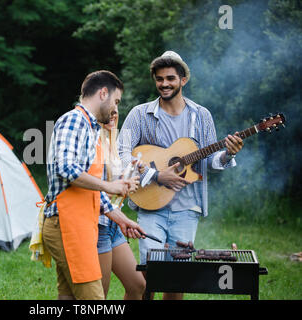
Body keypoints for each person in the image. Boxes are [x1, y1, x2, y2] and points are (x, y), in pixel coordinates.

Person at [118, 51, 244, 300]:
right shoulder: (140, 114)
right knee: (148, 275)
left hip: (188, 209)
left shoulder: (202, 116)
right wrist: (155, 175)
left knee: (176, 279)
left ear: (183, 80)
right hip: (150, 205)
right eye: (159, 79)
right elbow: (121, 151)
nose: (164, 84)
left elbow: (210, 160)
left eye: (170, 78)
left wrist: (228, 155)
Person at [42, 70, 145, 300]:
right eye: (116, 101)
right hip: (66, 224)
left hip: (77, 223)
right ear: (103, 93)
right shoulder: (74, 120)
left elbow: (89, 190)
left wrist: (121, 219)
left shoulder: (90, 128)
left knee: (68, 297)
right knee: (94, 299)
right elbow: (65, 168)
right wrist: (111, 186)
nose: (115, 109)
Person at [97, 109, 146, 300]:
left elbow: (113, 187)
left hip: (113, 224)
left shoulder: (111, 142)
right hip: (98, 224)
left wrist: (131, 174)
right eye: (107, 112)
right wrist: (122, 187)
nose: (112, 116)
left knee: (137, 285)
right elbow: (94, 191)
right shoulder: (93, 144)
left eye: (115, 111)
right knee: (99, 295)